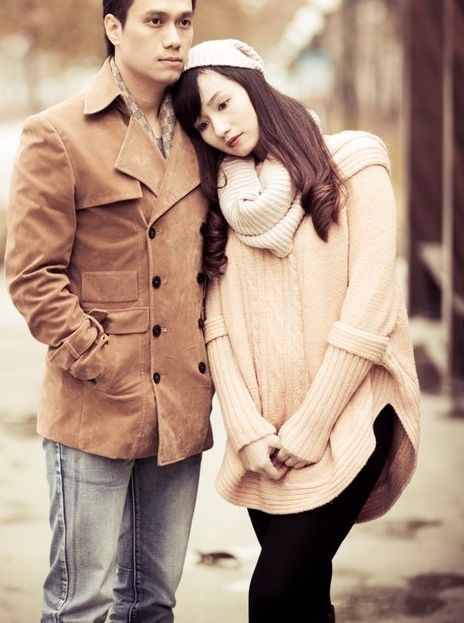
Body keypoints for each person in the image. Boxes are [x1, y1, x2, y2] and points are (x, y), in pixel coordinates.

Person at [171, 38, 421, 623]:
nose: (219, 129)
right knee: (305, 601)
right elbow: (216, 325)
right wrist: (245, 430)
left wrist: (312, 427)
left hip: (351, 418)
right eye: (202, 124)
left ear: (255, 86)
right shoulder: (223, 203)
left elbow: (371, 309)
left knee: (273, 597)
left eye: (224, 104)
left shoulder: (354, 163)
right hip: (268, 440)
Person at [4, 0, 214, 623]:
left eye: (184, 22)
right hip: (96, 401)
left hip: (180, 402)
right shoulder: (57, 134)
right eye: (155, 21)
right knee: (81, 604)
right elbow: (32, 275)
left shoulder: (203, 131)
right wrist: (98, 359)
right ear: (114, 27)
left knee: (153, 602)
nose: (174, 37)